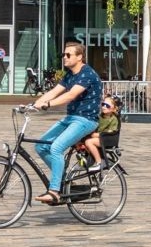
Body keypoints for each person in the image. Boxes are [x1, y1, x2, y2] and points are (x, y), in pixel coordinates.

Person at [26, 39, 102, 205]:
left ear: (80, 57)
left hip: (86, 120)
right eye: (63, 55)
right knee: (41, 146)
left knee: (56, 147)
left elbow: (70, 95)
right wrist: (32, 105)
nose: (64, 58)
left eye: (68, 55)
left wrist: (47, 105)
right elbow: (54, 91)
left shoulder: (87, 73)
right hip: (71, 118)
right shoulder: (70, 75)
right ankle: (60, 179)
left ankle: (54, 191)